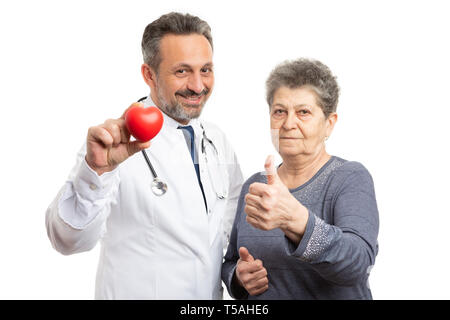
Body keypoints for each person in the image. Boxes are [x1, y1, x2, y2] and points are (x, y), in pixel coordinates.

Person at [46, 12, 244, 299]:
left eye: (206, 69)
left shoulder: (217, 141)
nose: (198, 86)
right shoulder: (113, 145)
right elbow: (67, 241)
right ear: (149, 75)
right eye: (182, 71)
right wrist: (96, 172)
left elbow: (228, 235)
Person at [222, 58, 379, 299]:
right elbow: (230, 260)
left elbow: (357, 265)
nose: (288, 123)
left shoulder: (349, 178)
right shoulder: (255, 186)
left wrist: (296, 221)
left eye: (303, 112)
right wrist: (239, 277)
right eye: (279, 112)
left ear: (329, 123)